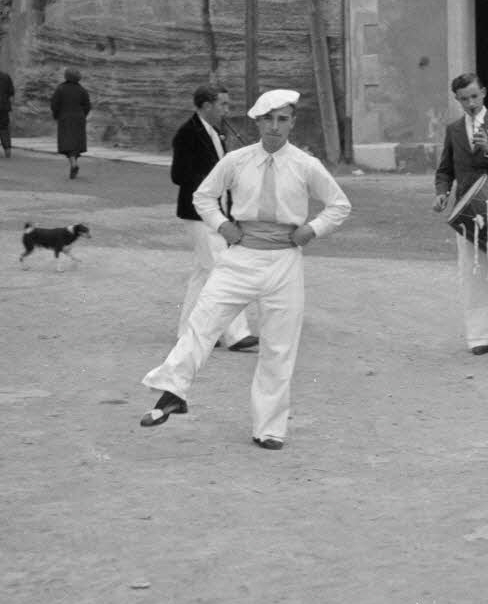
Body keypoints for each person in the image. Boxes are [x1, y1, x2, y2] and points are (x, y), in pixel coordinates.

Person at [139, 89, 350, 450]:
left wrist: (311, 229)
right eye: (268, 119)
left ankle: (269, 428)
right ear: (256, 122)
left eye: (283, 119)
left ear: (292, 122)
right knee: (203, 321)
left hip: (284, 260)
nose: (274, 126)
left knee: (279, 347)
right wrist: (223, 226)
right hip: (241, 257)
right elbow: (203, 196)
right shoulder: (237, 161)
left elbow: (339, 205)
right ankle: (173, 391)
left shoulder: (305, 165)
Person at [432, 72, 488, 355]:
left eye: (474, 96)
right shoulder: (454, 130)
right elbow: (445, 170)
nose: (470, 103)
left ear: (483, 93)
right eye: (463, 99)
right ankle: (478, 337)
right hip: (467, 210)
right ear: (457, 100)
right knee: (472, 271)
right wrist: (442, 192)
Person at [170, 87, 256, 351]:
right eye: (223, 105)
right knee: (224, 270)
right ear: (206, 105)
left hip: (215, 212)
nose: (227, 110)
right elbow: (178, 175)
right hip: (200, 213)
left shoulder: (215, 132)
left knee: (203, 273)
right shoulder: (187, 134)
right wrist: (211, 185)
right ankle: (236, 334)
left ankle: (188, 331)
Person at [49, 67, 91, 179]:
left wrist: (56, 115)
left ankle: (73, 163)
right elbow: (87, 106)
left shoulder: (61, 89)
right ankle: (74, 163)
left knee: (67, 143)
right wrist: (82, 115)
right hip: (79, 119)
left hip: (65, 118)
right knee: (76, 142)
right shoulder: (82, 90)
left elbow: (54, 104)